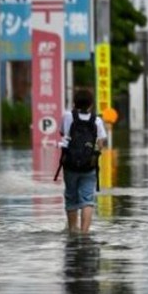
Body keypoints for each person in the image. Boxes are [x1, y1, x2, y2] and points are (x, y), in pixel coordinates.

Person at [58, 89, 107, 235]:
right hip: (89, 166)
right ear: (91, 105)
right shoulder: (96, 120)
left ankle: (73, 230)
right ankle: (85, 233)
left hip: (70, 165)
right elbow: (101, 142)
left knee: (71, 197)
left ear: (74, 103)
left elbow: (62, 134)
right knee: (87, 199)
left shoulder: (67, 116)